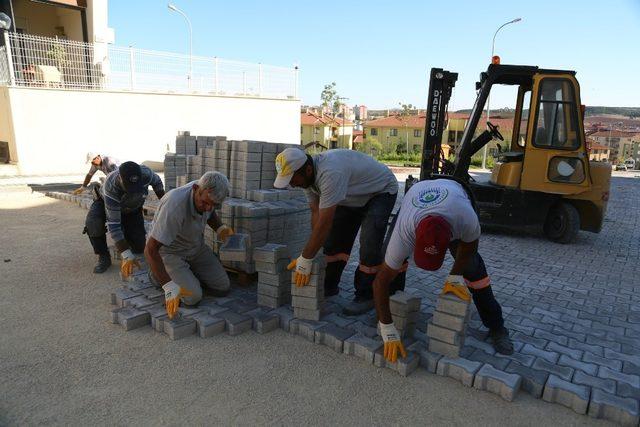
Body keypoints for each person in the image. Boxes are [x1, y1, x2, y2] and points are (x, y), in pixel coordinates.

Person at [372, 178, 514, 362]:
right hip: (417, 196)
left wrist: (455, 276)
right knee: (389, 260)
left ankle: (497, 327)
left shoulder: (466, 219)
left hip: (457, 193)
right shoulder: (405, 229)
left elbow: (469, 248)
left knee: (473, 268)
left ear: (450, 240)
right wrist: (387, 328)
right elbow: (380, 281)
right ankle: (387, 314)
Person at [273, 148, 398, 315]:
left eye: (292, 179)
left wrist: (305, 257)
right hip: (352, 193)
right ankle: (329, 285)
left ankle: (366, 294)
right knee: (335, 241)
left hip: (380, 191)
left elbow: (325, 223)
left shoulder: (330, 173)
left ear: (308, 170)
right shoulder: (306, 178)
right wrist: (313, 252)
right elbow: (316, 212)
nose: (291, 184)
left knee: (369, 242)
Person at [145, 172, 234, 318]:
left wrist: (220, 228)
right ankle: (156, 276)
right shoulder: (174, 205)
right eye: (205, 203)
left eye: (213, 205)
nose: (207, 208)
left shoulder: (207, 193)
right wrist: (168, 286)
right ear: (194, 189)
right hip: (170, 252)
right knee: (192, 298)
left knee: (222, 288)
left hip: (195, 247)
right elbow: (150, 249)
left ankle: (186, 275)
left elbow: (210, 213)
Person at [85, 161, 164, 274]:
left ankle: (128, 238)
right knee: (94, 223)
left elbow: (157, 183)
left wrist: (165, 203)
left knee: (139, 247)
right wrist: (126, 254)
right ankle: (103, 256)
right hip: (105, 203)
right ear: (120, 178)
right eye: (129, 187)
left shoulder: (146, 173)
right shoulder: (111, 185)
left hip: (132, 208)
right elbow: (114, 226)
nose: (131, 190)